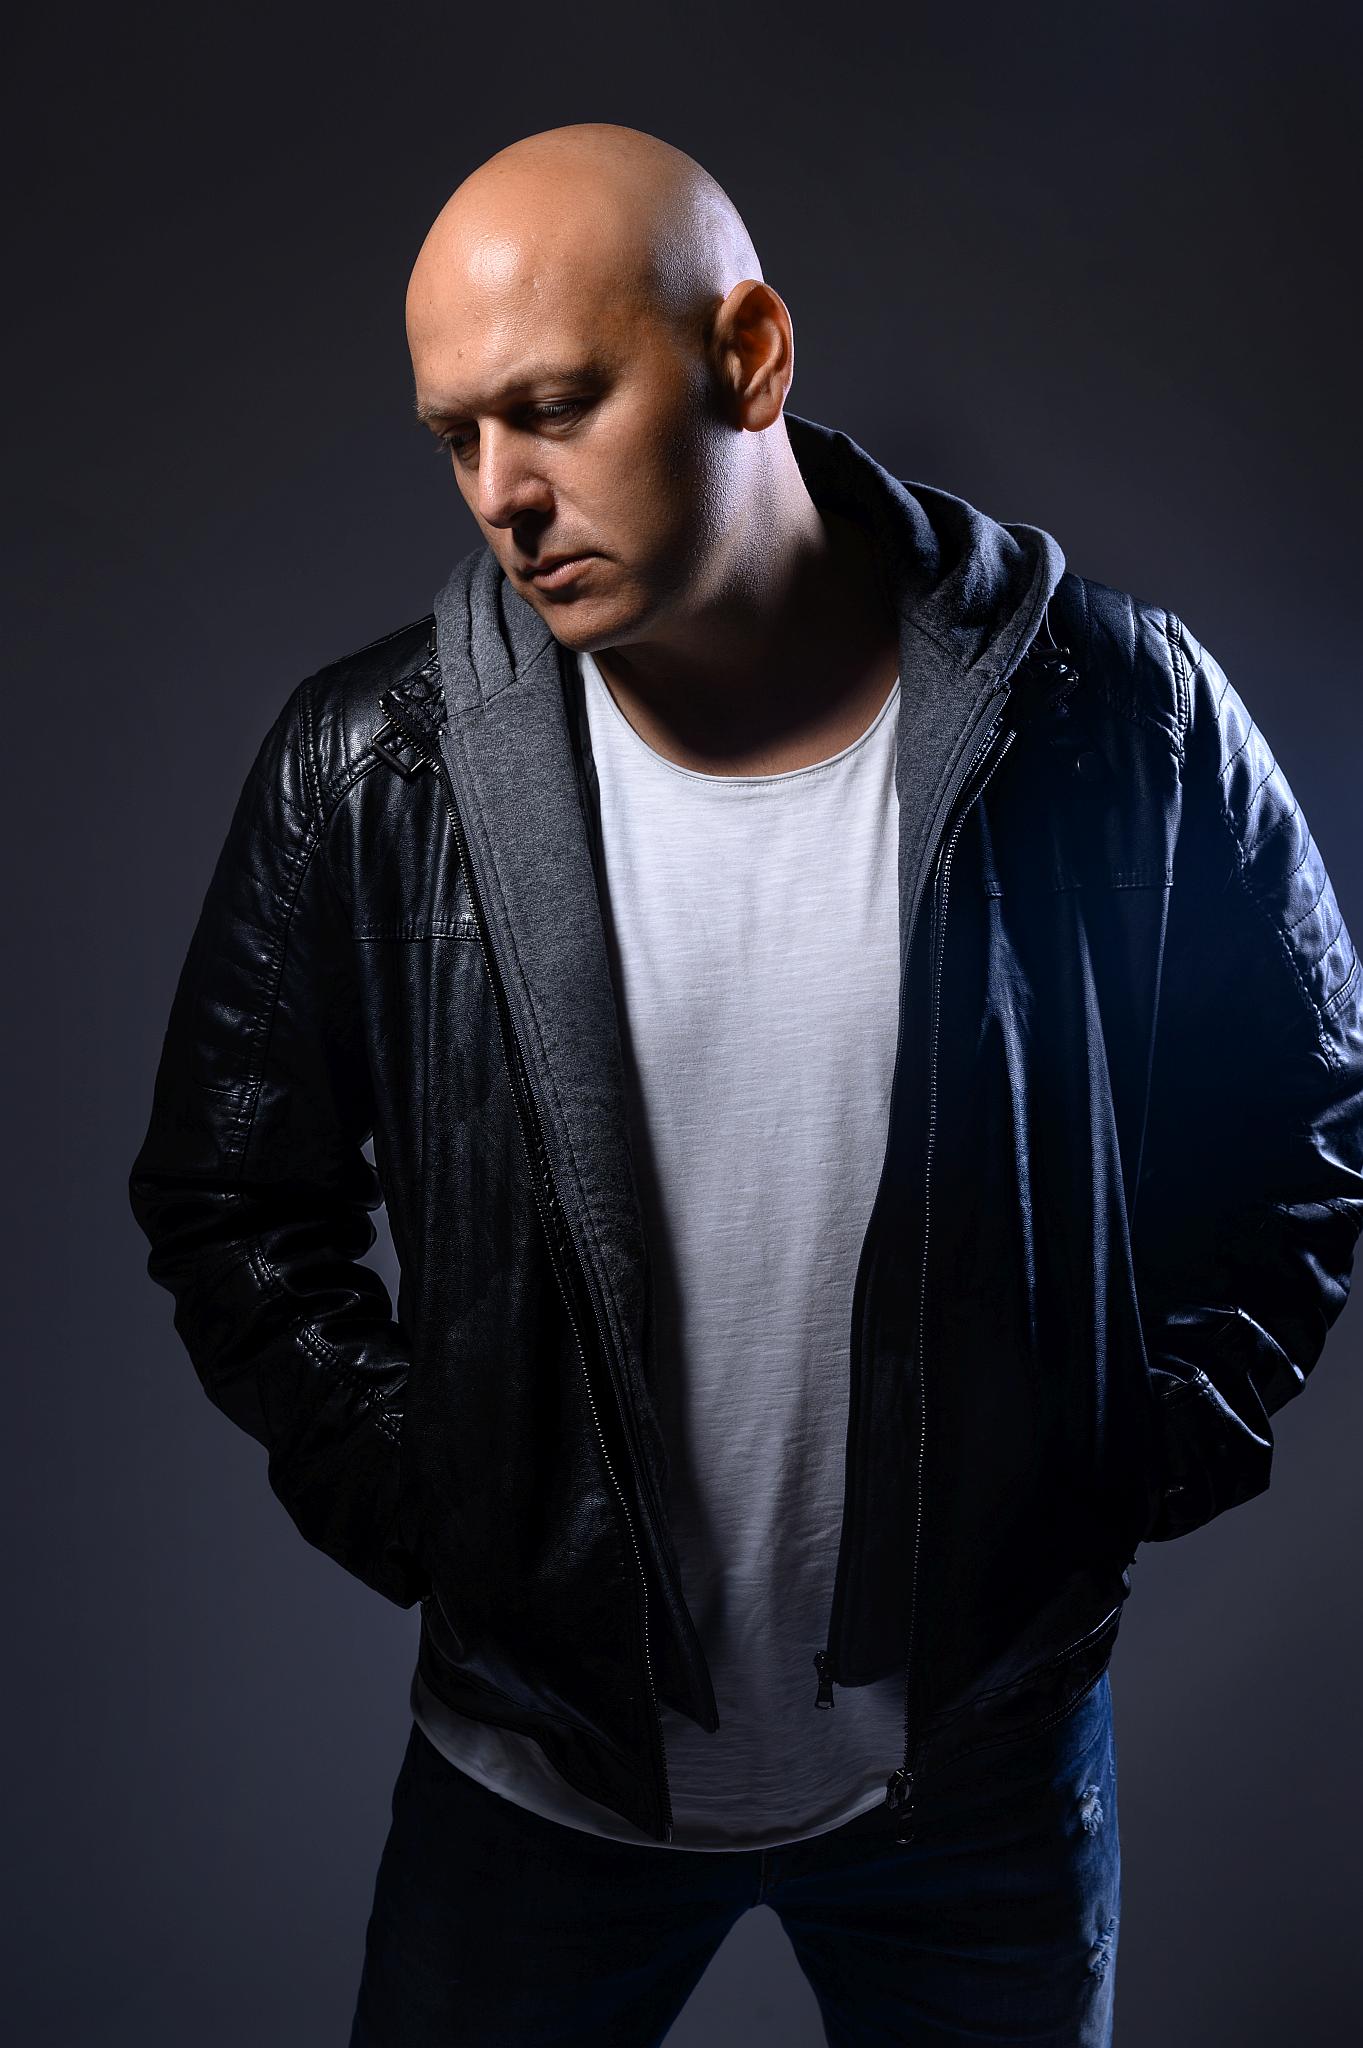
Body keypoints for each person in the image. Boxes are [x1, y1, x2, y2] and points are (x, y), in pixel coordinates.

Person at [128, 122, 1363, 2047]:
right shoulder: (370, 767)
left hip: (978, 1772)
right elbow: (229, 1201)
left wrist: (1129, 1454)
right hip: (537, 1782)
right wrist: (449, 1514)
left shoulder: (1118, 713)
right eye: (456, 437)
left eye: (553, 409)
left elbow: (1308, 1112)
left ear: (751, 356)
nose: (501, 494)